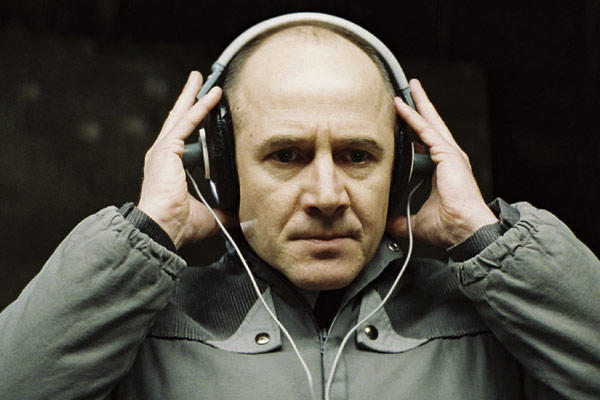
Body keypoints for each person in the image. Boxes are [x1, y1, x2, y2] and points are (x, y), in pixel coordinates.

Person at [1, 14, 599, 400]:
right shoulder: (137, 328)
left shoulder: (500, 325)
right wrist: (147, 233)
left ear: (404, 170)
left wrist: (492, 242)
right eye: (285, 155)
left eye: (358, 156)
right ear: (221, 167)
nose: (327, 197)